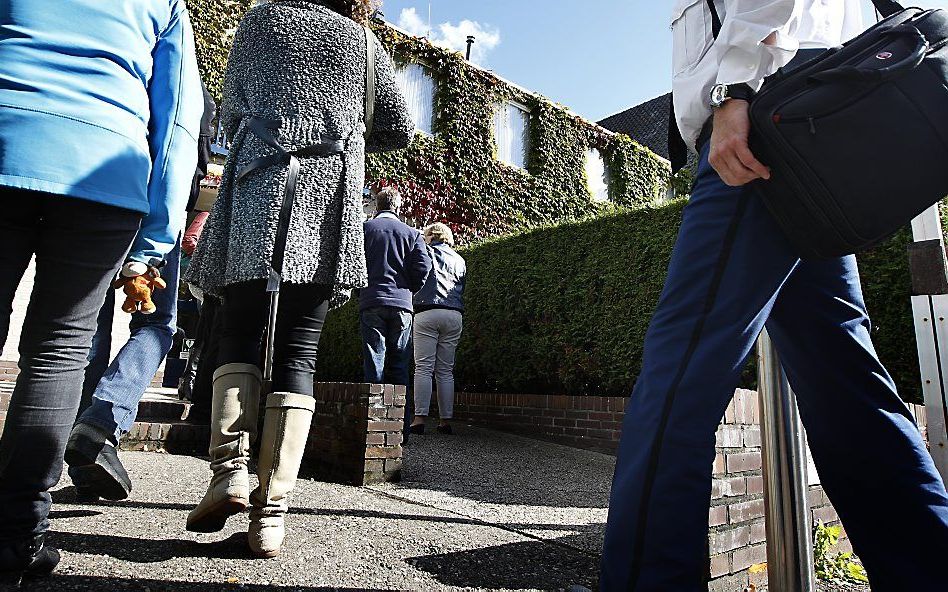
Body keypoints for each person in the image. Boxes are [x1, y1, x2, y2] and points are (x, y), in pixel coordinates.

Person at [599, 2, 948, 590]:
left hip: (763, 115)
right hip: (801, 113)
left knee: (681, 364)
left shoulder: (744, 97)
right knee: (843, 380)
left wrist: (733, 88)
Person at [183, 0, 413, 558]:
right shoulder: (362, 42)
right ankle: (272, 516)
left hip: (257, 196)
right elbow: (399, 127)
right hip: (324, 200)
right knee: (298, 355)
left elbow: (232, 110)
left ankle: (229, 474)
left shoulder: (259, 23)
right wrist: (346, 130)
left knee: (236, 334)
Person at [0, 0, 201, 578]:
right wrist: (157, 235)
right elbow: (177, 121)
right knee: (59, 351)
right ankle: (15, 535)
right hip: (105, 170)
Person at [63, 84, 216, 503]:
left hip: (91, 195)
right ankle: (100, 421)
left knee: (83, 324)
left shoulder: (110, 68)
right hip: (156, 213)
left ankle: (80, 438)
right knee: (156, 326)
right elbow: (190, 167)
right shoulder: (188, 90)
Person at [361, 187, 433, 389]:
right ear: (398, 206)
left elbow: (355, 264)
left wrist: (361, 290)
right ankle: (400, 418)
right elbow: (423, 267)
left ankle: (373, 416)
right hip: (401, 302)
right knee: (399, 365)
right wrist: (409, 289)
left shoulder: (365, 230)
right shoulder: (412, 234)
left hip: (372, 299)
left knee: (374, 362)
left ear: (377, 205)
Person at [409, 223, 466, 435]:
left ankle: (419, 419)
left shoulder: (425, 252)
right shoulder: (460, 260)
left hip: (428, 312)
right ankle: (444, 421)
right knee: (445, 370)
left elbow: (416, 276)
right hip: (454, 314)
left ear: (431, 236)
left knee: (423, 367)